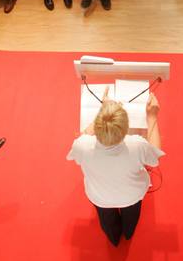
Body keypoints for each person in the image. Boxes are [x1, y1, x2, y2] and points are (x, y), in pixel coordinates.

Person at [67, 88, 163, 246]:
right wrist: (152, 117)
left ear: (97, 126)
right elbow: (155, 157)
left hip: (100, 196)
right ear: (126, 129)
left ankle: (113, 238)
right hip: (131, 195)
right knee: (131, 216)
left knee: (107, 221)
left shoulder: (82, 145)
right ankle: (128, 232)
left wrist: (103, 113)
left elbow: (83, 135)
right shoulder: (137, 145)